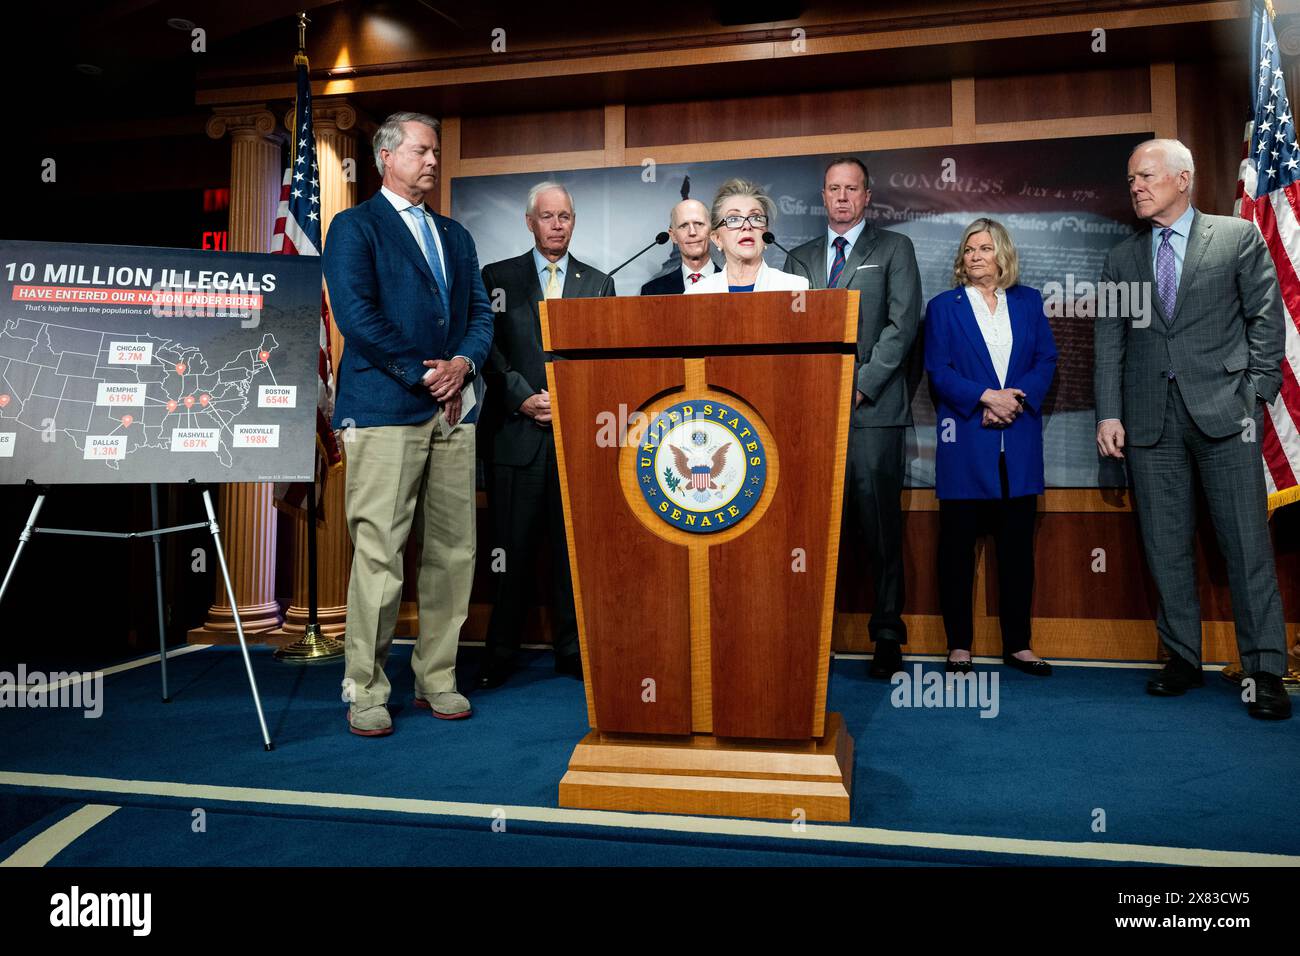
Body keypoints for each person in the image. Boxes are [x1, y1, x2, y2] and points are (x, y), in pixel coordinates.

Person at [1095, 138, 1290, 719]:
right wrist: (1109, 412)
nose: (1135, 186)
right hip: (1150, 422)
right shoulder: (1123, 259)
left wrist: (1254, 396)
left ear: (1184, 178)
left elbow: (1266, 321)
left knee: (1247, 546)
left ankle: (1264, 670)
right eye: (1131, 179)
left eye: (1146, 176)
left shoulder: (1236, 237)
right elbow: (1110, 341)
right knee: (1165, 545)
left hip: (1228, 418)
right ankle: (1181, 658)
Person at [323, 111, 494, 736]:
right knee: (380, 554)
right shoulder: (353, 227)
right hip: (386, 408)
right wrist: (424, 374)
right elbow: (356, 316)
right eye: (422, 150)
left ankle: (437, 678)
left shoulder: (455, 235)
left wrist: (463, 365)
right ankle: (365, 688)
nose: (432, 160)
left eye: (437, 151)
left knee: (454, 553)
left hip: (454, 412)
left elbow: (480, 314)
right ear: (386, 157)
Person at [783, 157, 921, 679]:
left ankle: (887, 633)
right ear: (823, 196)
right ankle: (813, 636)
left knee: (880, 527)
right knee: (813, 531)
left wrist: (858, 385)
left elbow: (901, 327)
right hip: (812, 417)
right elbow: (790, 334)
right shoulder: (797, 259)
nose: (842, 198)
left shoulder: (894, 250)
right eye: (834, 189)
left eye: (852, 189)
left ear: (867, 197)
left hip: (873, 413)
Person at [477, 182, 616, 688]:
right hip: (515, 433)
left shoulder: (598, 283)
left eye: (565, 217)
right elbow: (485, 348)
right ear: (529, 222)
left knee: (571, 551)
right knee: (509, 551)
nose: (557, 225)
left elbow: (604, 359)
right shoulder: (497, 277)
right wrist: (521, 395)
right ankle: (500, 652)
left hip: (575, 436)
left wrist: (569, 403)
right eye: (548, 216)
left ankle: (573, 650)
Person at [925, 219, 1057, 676]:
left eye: (985, 248)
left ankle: (1018, 645)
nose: (975, 255)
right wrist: (985, 397)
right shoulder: (943, 307)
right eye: (969, 249)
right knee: (957, 552)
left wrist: (1014, 400)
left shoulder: (1028, 302)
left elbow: (1046, 360)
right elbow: (938, 371)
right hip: (965, 442)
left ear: (1002, 254)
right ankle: (958, 645)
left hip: (1016, 443)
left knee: (1017, 552)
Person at [684, 179, 809, 293]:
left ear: (765, 233)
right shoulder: (696, 294)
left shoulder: (797, 287)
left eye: (756, 217)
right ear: (717, 239)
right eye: (733, 219)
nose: (747, 226)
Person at [641, 198, 718, 294]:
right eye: (683, 226)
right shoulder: (652, 291)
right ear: (673, 236)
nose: (692, 232)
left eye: (699, 224)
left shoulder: (735, 283)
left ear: (711, 230)